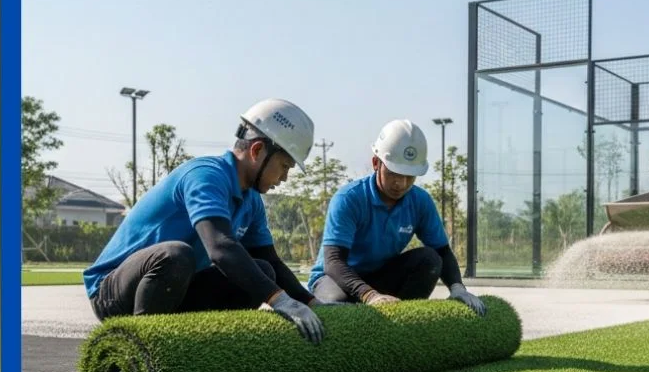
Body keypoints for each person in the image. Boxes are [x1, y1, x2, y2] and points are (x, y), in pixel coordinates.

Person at [83, 99, 325, 344]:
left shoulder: (251, 200)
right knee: (176, 255)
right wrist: (280, 300)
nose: (284, 177)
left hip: (175, 287)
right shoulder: (206, 176)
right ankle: (142, 346)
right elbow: (221, 247)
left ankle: (204, 347)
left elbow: (271, 260)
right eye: (284, 166)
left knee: (264, 270)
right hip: (113, 292)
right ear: (257, 150)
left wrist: (312, 303)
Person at [308, 119, 486, 316]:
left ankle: (401, 320)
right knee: (335, 306)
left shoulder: (420, 201)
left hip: (380, 276)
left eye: (410, 176)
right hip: (335, 278)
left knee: (429, 259)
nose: (401, 183)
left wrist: (457, 287)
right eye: (394, 173)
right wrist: (369, 295)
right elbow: (333, 261)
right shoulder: (349, 198)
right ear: (376, 163)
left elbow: (442, 251)